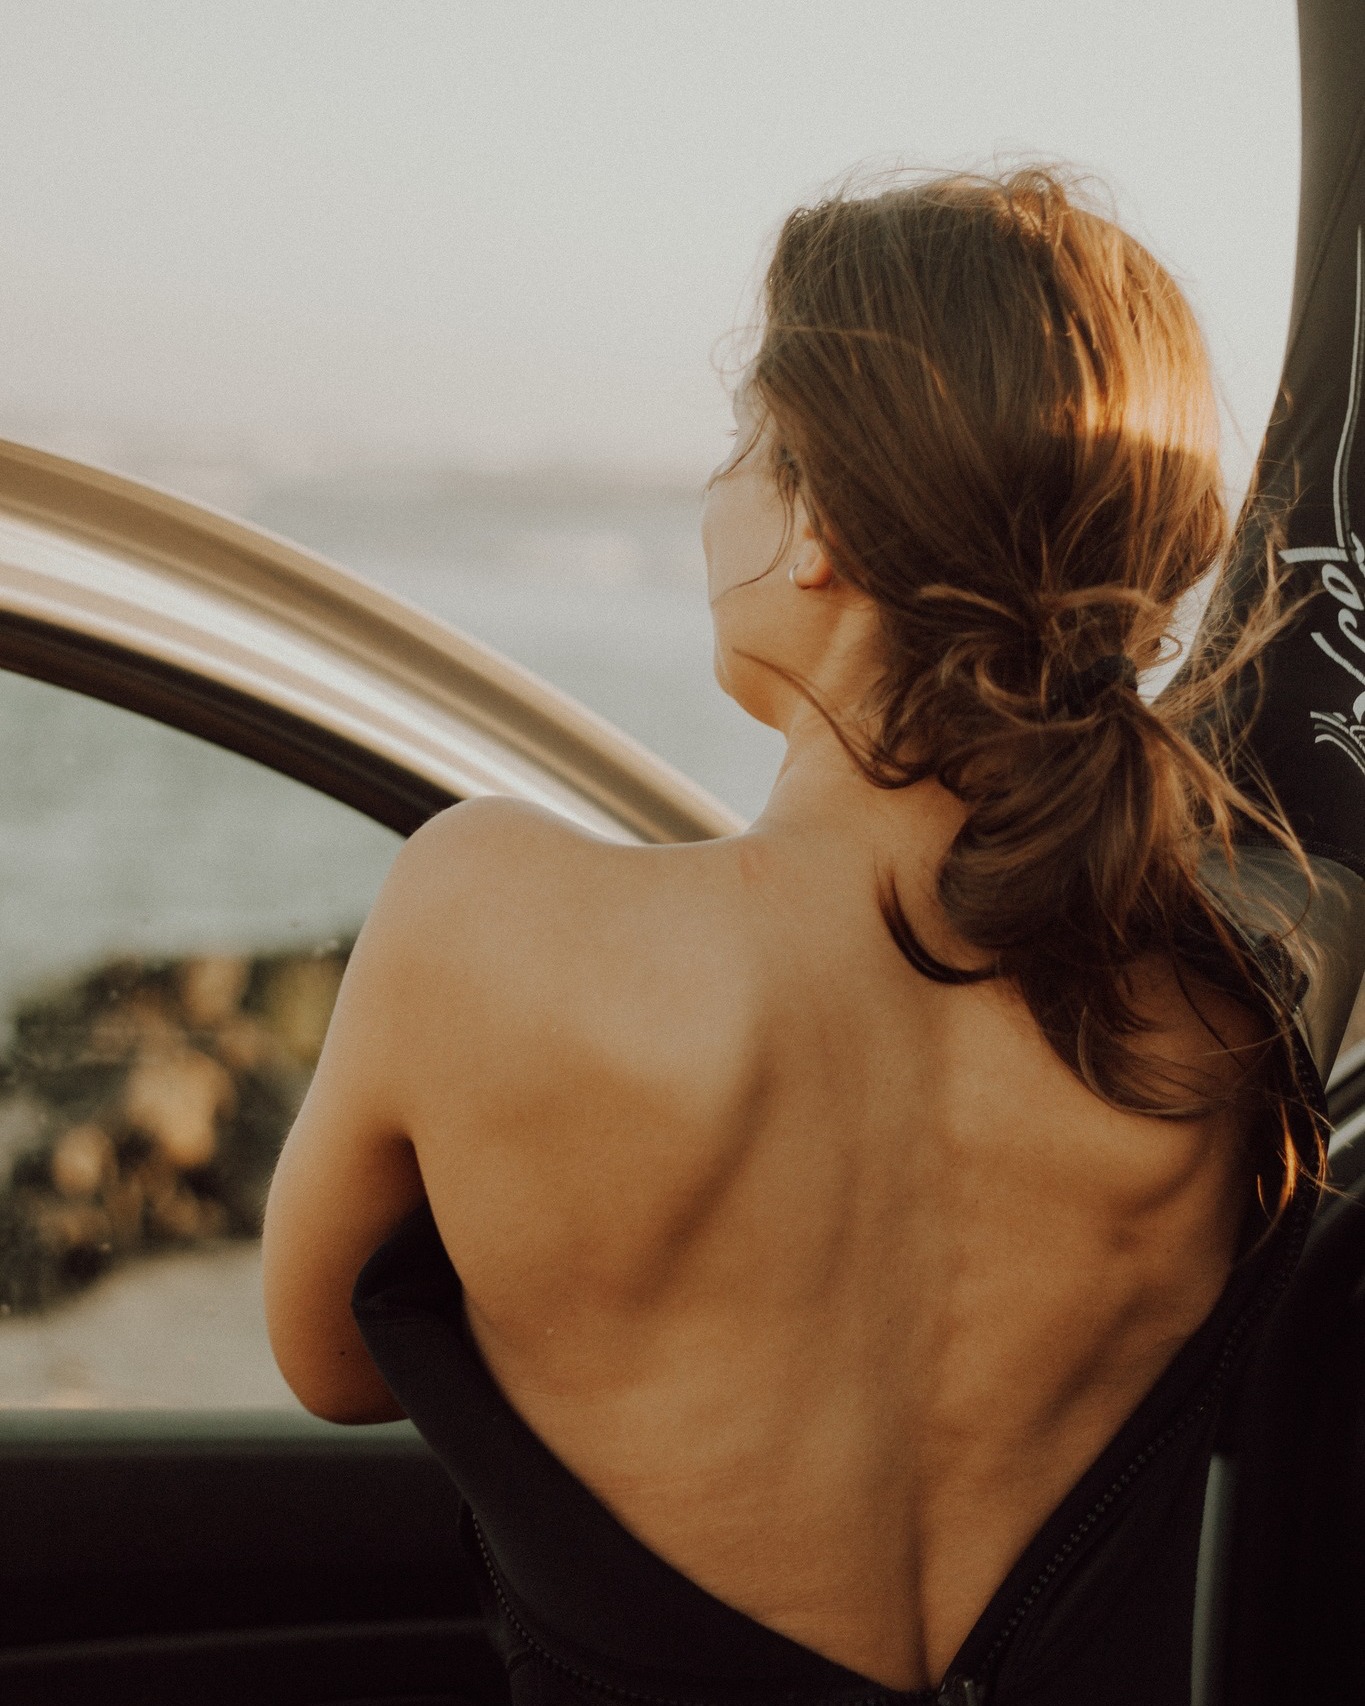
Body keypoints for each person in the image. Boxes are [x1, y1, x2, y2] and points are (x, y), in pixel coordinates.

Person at [262, 6, 1365, 1695]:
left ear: (822, 525)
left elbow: (332, 1352)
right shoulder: (1218, 1036)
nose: (716, 501)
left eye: (743, 449)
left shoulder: (488, 912)